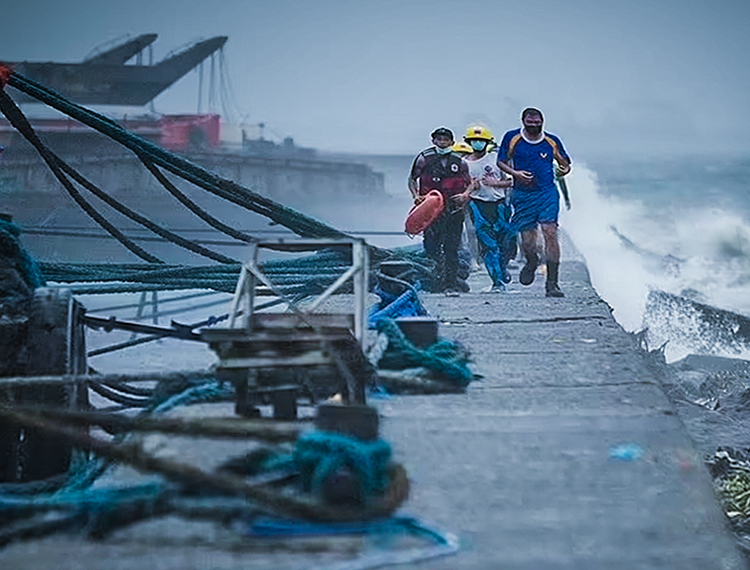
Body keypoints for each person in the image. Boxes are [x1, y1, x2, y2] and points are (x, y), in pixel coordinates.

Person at [496, 108, 571, 297]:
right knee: (528, 240)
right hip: (523, 194)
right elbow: (501, 161)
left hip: (547, 192)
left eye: (537, 122)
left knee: (550, 232)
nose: (534, 125)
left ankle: (552, 283)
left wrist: (561, 170)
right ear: (523, 122)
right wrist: (516, 174)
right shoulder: (512, 138)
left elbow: (565, 164)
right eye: (530, 122)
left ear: (542, 121)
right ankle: (531, 261)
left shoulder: (551, 141)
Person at [408, 127, 472, 294]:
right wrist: (416, 196)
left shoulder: (460, 162)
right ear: (433, 140)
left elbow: (470, 183)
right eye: (439, 139)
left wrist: (465, 195)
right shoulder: (424, 158)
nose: (442, 142)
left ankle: (450, 284)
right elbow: (412, 179)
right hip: (431, 210)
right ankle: (435, 282)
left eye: (445, 139)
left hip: (453, 209)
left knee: (452, 248)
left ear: (452, 142)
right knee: (431, 246)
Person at [462, 125, 515, 291]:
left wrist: (496, 183)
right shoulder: (463, 164)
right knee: (488, 245)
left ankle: (503, 267)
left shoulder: (497, 159)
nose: (478, 144)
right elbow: (460, 187)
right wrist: (470, 187)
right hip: (477, 205)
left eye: (482, 141)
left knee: (507, 242)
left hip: (500, 205)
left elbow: (512, 181)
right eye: (475, 141)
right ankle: (497, 281)